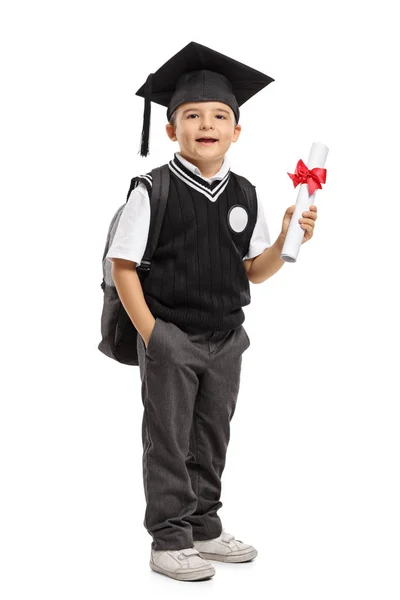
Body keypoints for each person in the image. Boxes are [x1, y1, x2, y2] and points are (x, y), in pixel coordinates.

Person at [106, 41, 318, 582]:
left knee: (211, 436)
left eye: (220, 115)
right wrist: (155, 335)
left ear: (236, 132)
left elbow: (254, 268)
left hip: (227, 338)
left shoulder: (244, 192)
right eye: (192, 115)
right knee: (170, 439)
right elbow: (123, 266)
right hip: (172, 335)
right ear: (172, 127)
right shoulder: (152, 190)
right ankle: (170, 538)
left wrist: (293, 241)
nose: (207, 123)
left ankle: (204, 525)